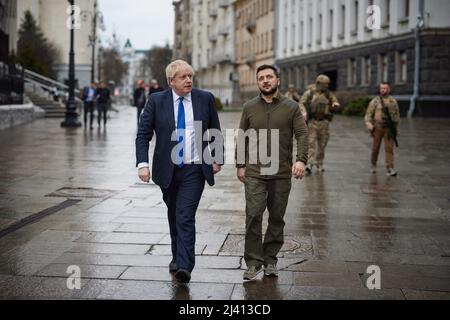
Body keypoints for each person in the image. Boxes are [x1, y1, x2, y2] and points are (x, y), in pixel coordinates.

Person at [136, 60, 222, 284]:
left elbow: (214, 129)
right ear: (170, 81)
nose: (188, 80)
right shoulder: (156, 100)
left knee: (185, 215)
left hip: (195, 169)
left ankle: (184, 265)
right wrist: (142, 164)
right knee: (174, 214)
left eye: (190, 76)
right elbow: (143, 134)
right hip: (167, 170)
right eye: (183, 77)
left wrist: (216, 158)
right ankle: (177, 257)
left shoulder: (205, 98)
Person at [236, 65, 309, 281]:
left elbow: (302, 135)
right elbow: (242, 137)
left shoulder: (291, 107)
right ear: (258, 82)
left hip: (281, 172)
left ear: (278, 79)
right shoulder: (249, 107)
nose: (265, 81)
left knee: (276, 218)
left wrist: (301, 160)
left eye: (269, 77)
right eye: (261, 78)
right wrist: (241, 164)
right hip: (254, 171)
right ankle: (252, 262)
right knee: (253, 215)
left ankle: (270, 260)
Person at [300, 75, 340, 174]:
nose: (326, 86)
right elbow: (301, 103)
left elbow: (335, 101)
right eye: (324, 84)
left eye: (327, 84)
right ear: (318, 83)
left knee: (322, 144)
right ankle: (309, 163)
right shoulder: (310, 92)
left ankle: (319, 162)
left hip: (324, 122)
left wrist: (335, 105)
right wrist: (303, 112)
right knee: (311, 143)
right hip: (312, 122)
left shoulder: (328, 94)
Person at [365, 82, 400, 177]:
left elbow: (397, 117)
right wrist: (369, 123)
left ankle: (390, 168)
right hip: (378, 127)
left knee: (389, 149)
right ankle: (373, 164)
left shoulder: (393, 101)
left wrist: (396, 129)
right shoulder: (375, 101)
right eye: (382, 88)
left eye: (385, 88)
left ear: (389, 89)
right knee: (375, 148)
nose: (383, 90)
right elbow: (369, 113)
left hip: (389, 129)